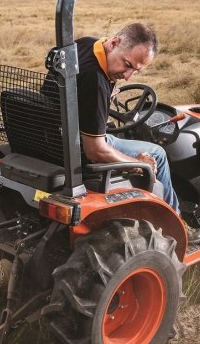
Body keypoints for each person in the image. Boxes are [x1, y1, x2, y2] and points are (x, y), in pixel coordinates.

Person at [63, 22, 180, 213]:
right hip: (78, 148)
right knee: (157, 153)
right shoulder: (96, 80)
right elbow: (95, 151)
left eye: (135, 70)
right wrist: (138, 164)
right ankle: (175, 218)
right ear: (115, 43)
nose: (127, 76)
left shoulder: (84, 45)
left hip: (60, 133)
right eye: (127, 64)